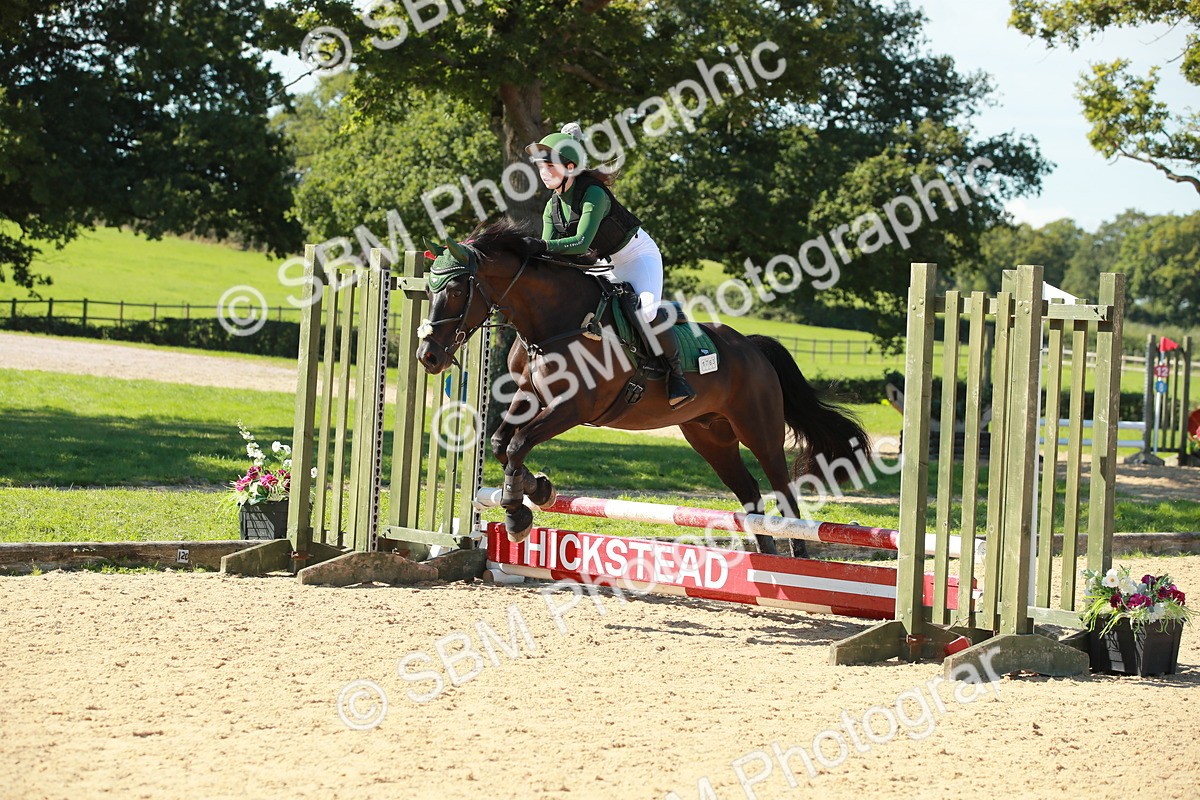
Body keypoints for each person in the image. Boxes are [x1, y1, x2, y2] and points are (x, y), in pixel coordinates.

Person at [523, 123, 696, 408]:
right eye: (541, 167)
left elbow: (579, 243)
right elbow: (549, 253)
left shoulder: (594, 194)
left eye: (550, 166)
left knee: (646, 311)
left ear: (570, 167)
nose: (544, 173)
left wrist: (539, 246)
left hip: (637, 257)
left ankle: (677, 376)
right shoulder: (552, 206)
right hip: (603, 263)